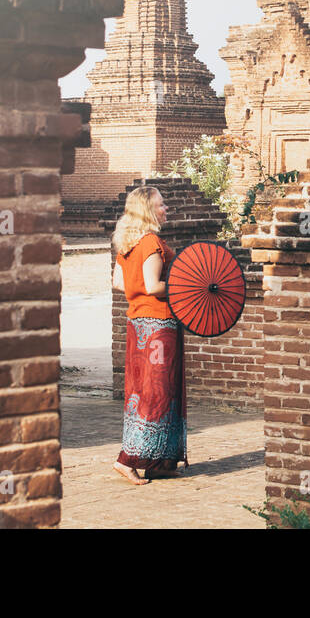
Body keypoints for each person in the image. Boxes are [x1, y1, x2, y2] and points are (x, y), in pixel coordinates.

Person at [110, 185, 187, 485]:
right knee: (158, 392)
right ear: (148, 210)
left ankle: (160, 463)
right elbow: (154, 285)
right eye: (161, 205)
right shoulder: (152, 242)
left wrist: (137, 290)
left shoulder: (128, 243)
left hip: (137, 324)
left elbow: (119, 283)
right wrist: (185, 284)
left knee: (142, 392)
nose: (166, 208)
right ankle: (126, 460)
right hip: (159, 324)